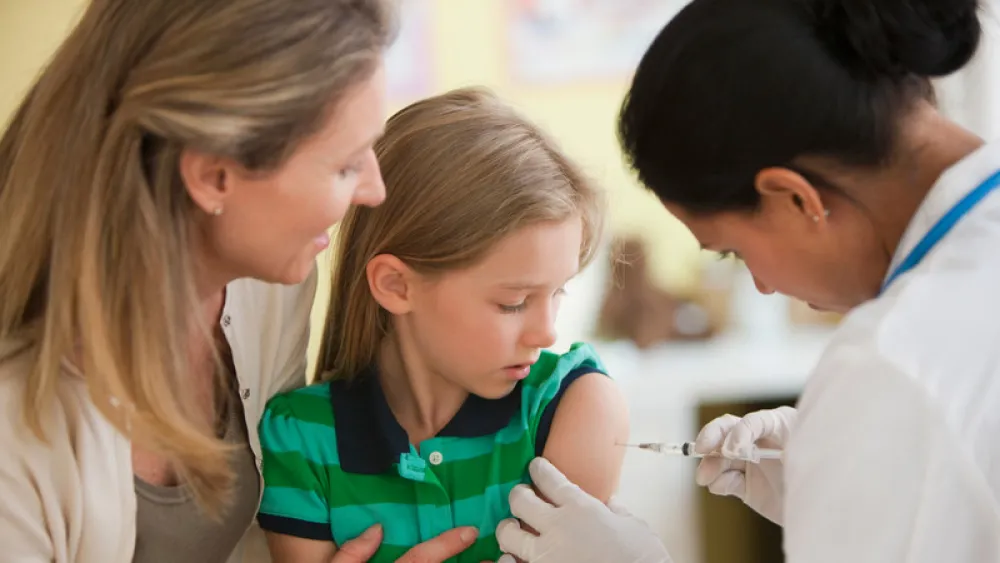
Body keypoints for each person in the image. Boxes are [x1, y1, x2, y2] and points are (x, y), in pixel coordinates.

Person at [493, 0, 1000, 561]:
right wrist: (851, 476)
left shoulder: (895, 365)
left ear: (794, 198)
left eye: (734, 251)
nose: (761, 285)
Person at [0, 0, 490, 561]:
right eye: (345, 165)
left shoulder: (272, 288)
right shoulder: (15, 423)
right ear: (213, 176)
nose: (373, 190)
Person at [255, 87, 629, 563]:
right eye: (514, 302)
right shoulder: (300, 437)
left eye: (558, 293)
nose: (547, 332)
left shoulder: (572, 404)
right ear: (396, 285)